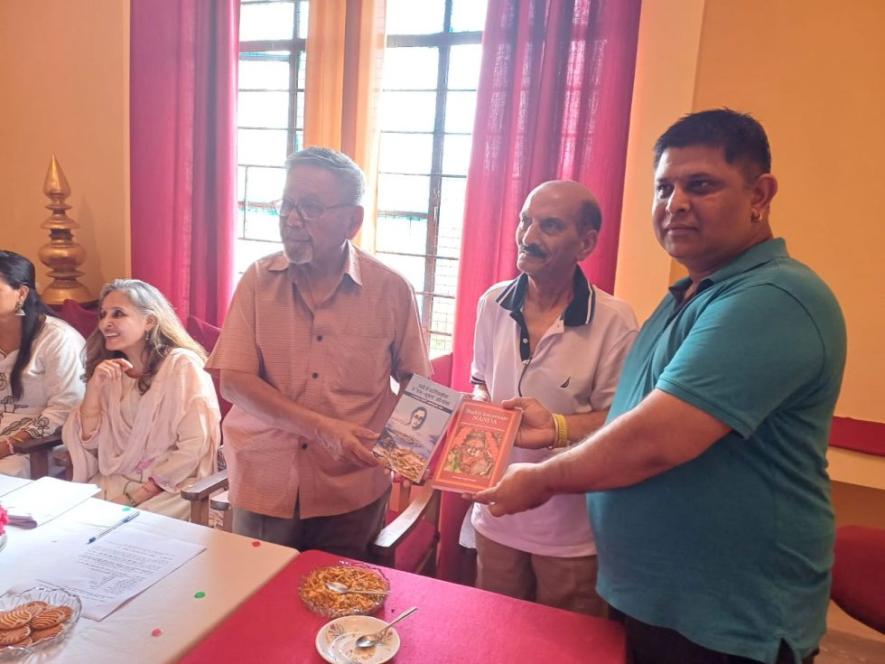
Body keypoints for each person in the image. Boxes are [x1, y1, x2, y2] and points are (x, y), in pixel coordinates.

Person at [475, 110, 846, 664]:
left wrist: (542, 478)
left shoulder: (771, 298)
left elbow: (654, 440)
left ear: (759, 195)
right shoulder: (687, 299)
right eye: (665, 187)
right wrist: (552, 427)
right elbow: (629, 417)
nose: (676, 204)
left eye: (701, 185)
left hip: (728, 621)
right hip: (659, 602)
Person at [206, 147, 430, 559]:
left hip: (352, 488)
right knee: (258, 593)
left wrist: (409, 456)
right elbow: (234, 382)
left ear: (353, 221)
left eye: (310, 208)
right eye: (287, 205)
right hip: (265, 481)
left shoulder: (391, 290)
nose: (292, 220)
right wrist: (321, 427)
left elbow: (419, 388)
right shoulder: (258, 280)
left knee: (343, 595)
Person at [467, 180, 637, 616]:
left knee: (565, 644)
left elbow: (623, 422)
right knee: (494, 633)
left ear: (586, 243)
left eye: (550, 226)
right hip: (496, 513)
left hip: (570, 533)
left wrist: (557, 428)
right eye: (525, 220)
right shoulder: (491, 302)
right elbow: (480, 381)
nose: (528, 236)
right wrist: (478, 417)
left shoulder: (616, 321)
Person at [63, 279, 220, 518]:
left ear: (150, 321)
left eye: (118, 314)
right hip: (114, 480)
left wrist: (139, 494)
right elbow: (90, 444)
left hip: (171, 487)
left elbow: (194, 445)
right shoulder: (110, 371)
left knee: (120, 526)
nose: (105, 323)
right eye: (103, 315)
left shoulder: (182, 365)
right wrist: (93, 389)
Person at [0, 251, 85, 477]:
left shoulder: (58, 339)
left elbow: (66, 409)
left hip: (36, 447)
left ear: (22, 293)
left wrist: (7, 446)